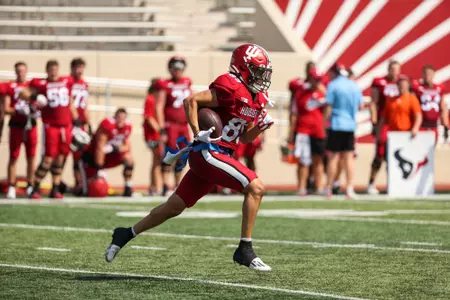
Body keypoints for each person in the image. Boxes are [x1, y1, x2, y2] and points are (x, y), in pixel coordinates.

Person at [105, 44, 274, 271]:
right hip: (208, 152)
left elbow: (244, 139)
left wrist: (260, 128)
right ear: (243, 68)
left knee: (173, 207)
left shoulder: (258, 97)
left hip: (222, 155)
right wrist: (197, 132)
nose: (261, 77)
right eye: (257, 70)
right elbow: (191, 101)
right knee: (256, 188)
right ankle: (245, 249)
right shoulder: (230, 86)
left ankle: (126, 233)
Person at [20, 60, 79, 199]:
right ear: (47, 71)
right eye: (51, 69)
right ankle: (34, 187)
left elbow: (70, 102)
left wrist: (77, 121)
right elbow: (22, 93)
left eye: (55, 69)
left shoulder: (66, 81)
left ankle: (55, 187)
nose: (54, 72)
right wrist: (35, 96)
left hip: (66, 126)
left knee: (60, 158)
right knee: (47, 158)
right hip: (51, 126)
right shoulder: (41, 84)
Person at [324, 63, 365, 199]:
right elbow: (360, 105)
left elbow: (329, 106)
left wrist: (325, 124)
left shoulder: (333, 85)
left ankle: (329, 188)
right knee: (349, 159)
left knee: (333, 158)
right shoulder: (354, 86)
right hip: (350, 125)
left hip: (336, 124)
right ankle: (349, 188)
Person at [155, 57, 193, 195]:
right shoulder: (165, 84)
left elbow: (192, 102)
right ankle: (165, 185)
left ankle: (177, 185)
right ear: (170, 68)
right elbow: (159, 106)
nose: (177, 70)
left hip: (183, 125)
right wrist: (162, 128)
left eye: (180, 67)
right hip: (171, 125)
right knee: (169, 155)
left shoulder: (187, 82)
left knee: (183, 156)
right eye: (175, 67)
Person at [289, 68, 326, 195]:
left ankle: (319, 187)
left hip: (318, 130)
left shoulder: (323, 93)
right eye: (315, 79)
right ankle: (301, 187)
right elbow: (294, 113)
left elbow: (328, 110)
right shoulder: (301, 93)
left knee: (318, 160)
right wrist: (291, 132)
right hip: (303, 130)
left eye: (319, 79)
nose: (317, 82)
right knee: (303, 161)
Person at [3, 62, 38, 198]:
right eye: (18, 71)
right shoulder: (11, 87)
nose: (21, 73)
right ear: (15, 72)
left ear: (27, 71)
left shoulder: (32, 87)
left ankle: (30, 185)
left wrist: (35, 110)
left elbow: (39, 104)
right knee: (13, 156)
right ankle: (12, 185)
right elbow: (6, 109)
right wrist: (18, 110)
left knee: (31, 157)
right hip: (16, 125)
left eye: (23, 70)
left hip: (31, 125)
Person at [81, 108, 134, 197]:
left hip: (111, 155)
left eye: (123, 118)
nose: (121, 120)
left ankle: (128, 186)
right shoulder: (108, 124)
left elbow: (127, 146)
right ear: (115, 117)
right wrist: (100, 169)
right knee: (87, 191)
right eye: (119, 117)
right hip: (94, 157)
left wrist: (114, 148)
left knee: (129, 159)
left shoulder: (127, 126)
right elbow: (99, 147)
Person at [367, 61, 401, 194]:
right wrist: (374, 122)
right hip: (383, 122)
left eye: (397, 69)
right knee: (380, 153)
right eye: (392, 69)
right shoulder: (380, 82)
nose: (394, 72)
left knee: (394, 155)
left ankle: (392, 184)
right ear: (388, 69)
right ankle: (371, 182)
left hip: (397, 124)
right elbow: (373, 102)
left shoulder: (403, 83)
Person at [66, 58, 91, 195]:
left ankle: (79, 184)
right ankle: (56, 184)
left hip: (80, 123)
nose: (79, 70)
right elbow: (69, 101)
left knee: (79, 156)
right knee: (63, 153)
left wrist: (88, 122)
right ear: (72, 68)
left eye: (81, 67)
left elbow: (85, 104)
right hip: (69, 122)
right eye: (77, 67)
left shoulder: (84, 84)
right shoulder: (68, 82)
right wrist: (75, 117)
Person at [412, 65, 448, 144]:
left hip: (434, 125)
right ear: (422, 75)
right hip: (421, 125)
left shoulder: (439, 88)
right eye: (426, 73)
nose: (427, 76)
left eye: (430, 73)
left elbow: (443, 107)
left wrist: (445, 124)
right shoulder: (417, 87)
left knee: (431, 150)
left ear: (434, 75)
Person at [380, 76, 422, 141]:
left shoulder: (412, 98)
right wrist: (380, 131)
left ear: (408, 86)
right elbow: (384, 117)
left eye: (404, 85)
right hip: (392, 133)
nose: (402, 87)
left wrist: (415, 128)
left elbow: (418, 115)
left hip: (406, 132)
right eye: (400, 85)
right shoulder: (391, 100)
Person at [143, 79, 163, 195]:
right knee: (157, 161)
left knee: (156, 161)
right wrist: (160, 131)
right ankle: (156, 187)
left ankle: (154, 186)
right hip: (152, 135)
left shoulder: (155, 100)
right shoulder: (150, 99)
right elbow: (149, 117)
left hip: (154, 135)